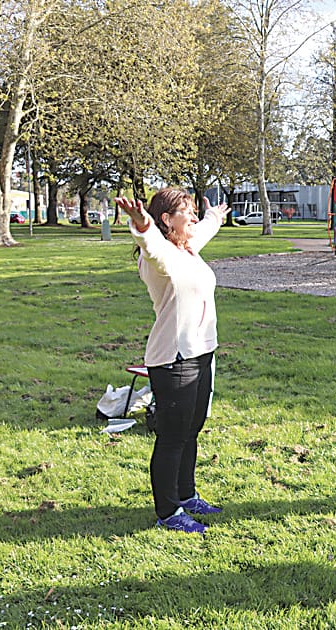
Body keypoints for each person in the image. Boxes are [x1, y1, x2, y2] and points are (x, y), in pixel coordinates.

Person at [115, 188, 230, 534]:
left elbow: (203, 229)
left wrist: (215, 217)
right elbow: (150, 243)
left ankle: (186, 494)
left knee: (191, 430)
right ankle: (168, 511)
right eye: (188, 212)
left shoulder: (188, 249)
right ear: (166, 219)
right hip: (174, 358)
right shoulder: (161, 255)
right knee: (173, 437)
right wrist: (141, 222)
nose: (193, 218)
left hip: (201, 352)